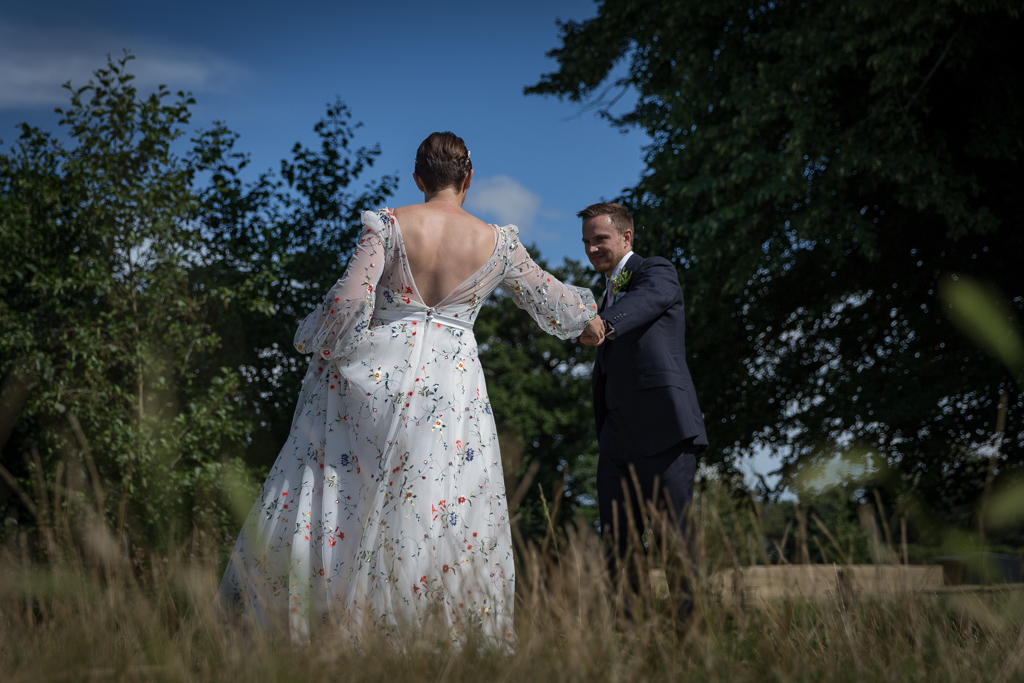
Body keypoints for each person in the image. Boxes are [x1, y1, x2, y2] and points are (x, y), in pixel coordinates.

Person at [218, 132, 602, 646]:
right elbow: (545, 294)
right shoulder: (499, 242)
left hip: (379, 378)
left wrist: (318, 345)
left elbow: (348, 303)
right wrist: (589, 323)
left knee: (345, 493)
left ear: (419, 179)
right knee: (441, 501)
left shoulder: (388, 225)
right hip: (452, 383)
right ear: (468, 178)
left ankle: (324, 629)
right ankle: (430, 635)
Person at [578, 202, 707, 615]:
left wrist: (604, 323)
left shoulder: (655, 271)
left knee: (674, 545)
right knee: (619, 548)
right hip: (616, 438)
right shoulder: (607, 290)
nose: (592, 249)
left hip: (664, 432)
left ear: (626, 237)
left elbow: (650, 300)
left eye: (600, 239)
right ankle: (632, 645)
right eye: (586, 242)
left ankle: (690, 647)